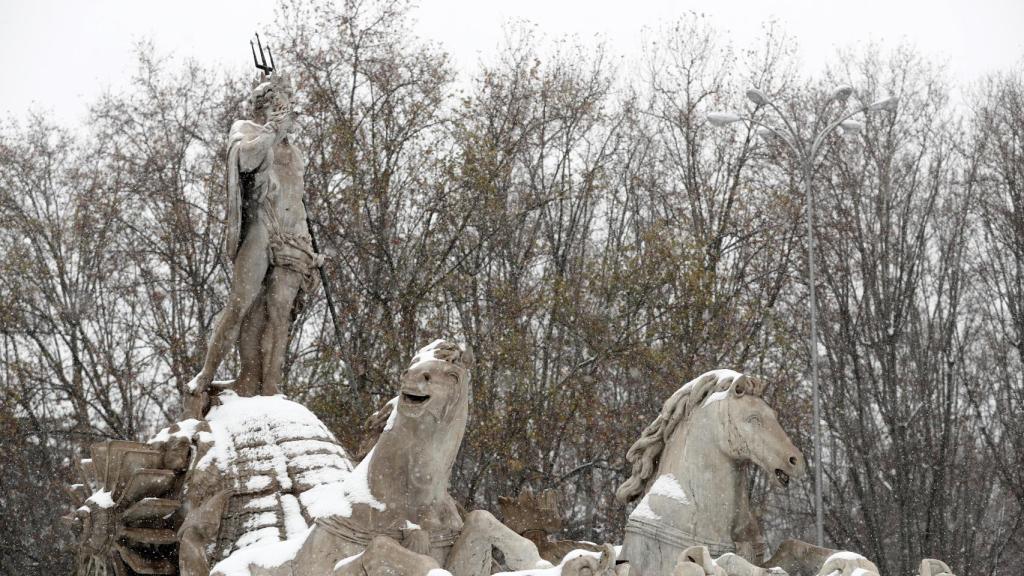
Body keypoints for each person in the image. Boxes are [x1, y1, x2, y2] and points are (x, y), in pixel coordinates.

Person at [184, 73, 321, 418]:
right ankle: (207, 373)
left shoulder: (295, 151)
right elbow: (243, 159)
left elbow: (297, 197)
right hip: (263, 226)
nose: (283, 110)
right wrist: (271, 131)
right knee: (240, 302)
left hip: (294, 236)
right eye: (276, 104)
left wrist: (309, 246)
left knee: (279, 310)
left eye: (287, 104)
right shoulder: (247, 130)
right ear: (264, 108)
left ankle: (269, 386)